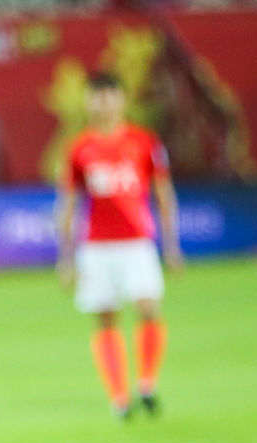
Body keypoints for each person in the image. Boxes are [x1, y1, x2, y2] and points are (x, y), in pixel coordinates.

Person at [55, 72, 183, 419]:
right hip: (96, 248)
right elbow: (67, 202)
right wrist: (65, 257)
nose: (104, 101)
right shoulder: (80, 148)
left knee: (148, 305)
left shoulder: (144, 142)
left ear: (122, 99)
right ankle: (119, 398)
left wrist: (171, 244)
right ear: (88, 102)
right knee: (106, 319)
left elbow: (163, 193)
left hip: (137, 242)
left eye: (111, 94)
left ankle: (147, 383)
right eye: (97, 95)